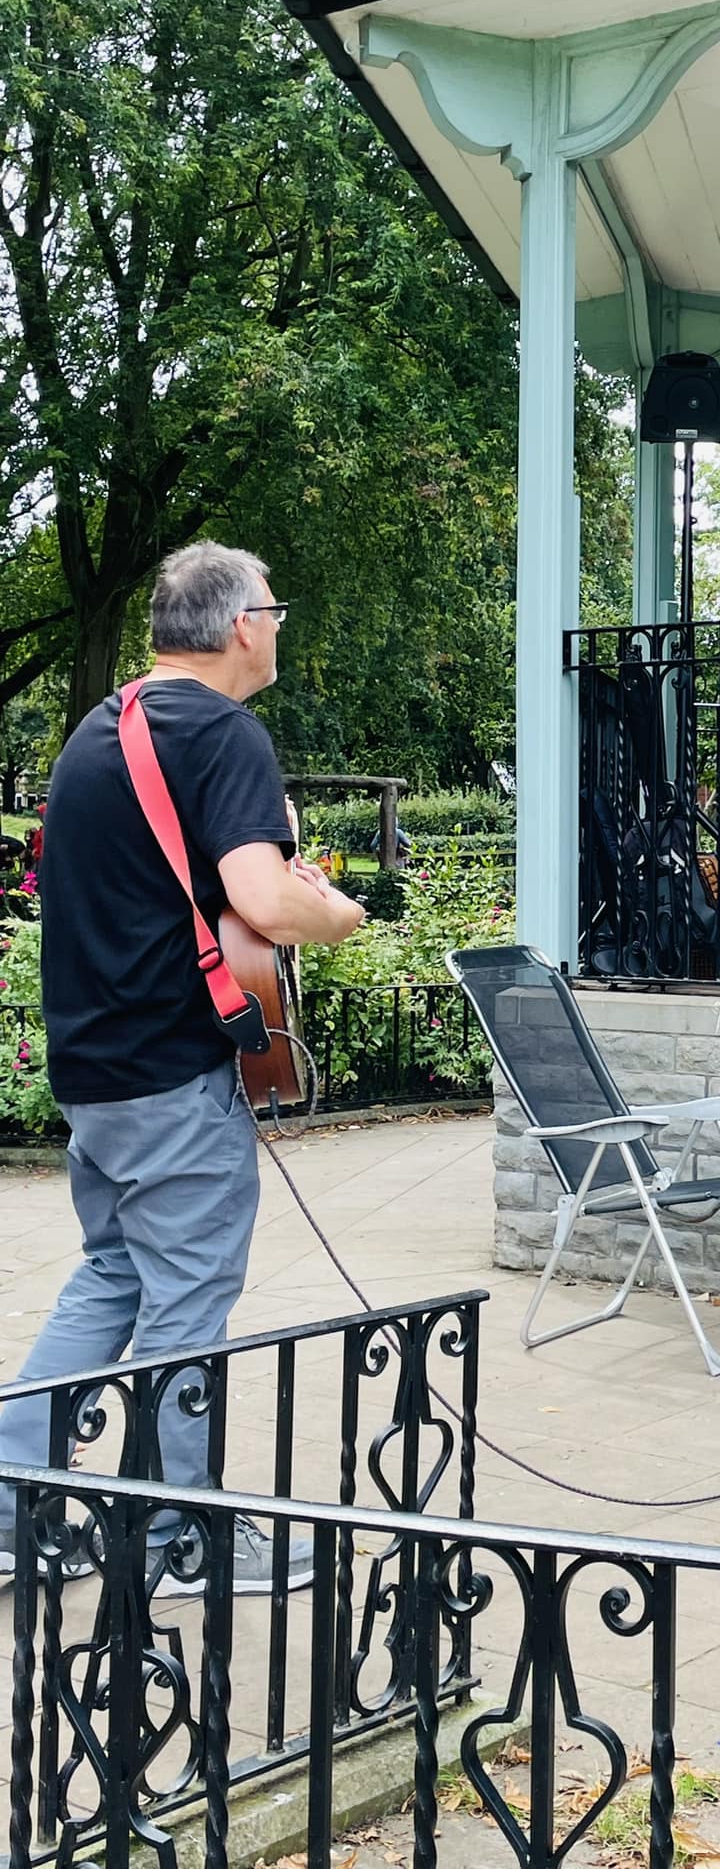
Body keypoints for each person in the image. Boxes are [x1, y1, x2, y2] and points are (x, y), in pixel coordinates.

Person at [0, 542, 366, 1593]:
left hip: (97, 1073)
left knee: (115, 1274)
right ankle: (179, 1536)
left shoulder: (100, 729)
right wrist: (334, 911)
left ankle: (10, 1505)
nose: (277, 628)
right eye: (274, 611)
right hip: (172, 1077)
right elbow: (265, 898)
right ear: (243, 624)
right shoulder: (222, 732)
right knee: (188, 1302)